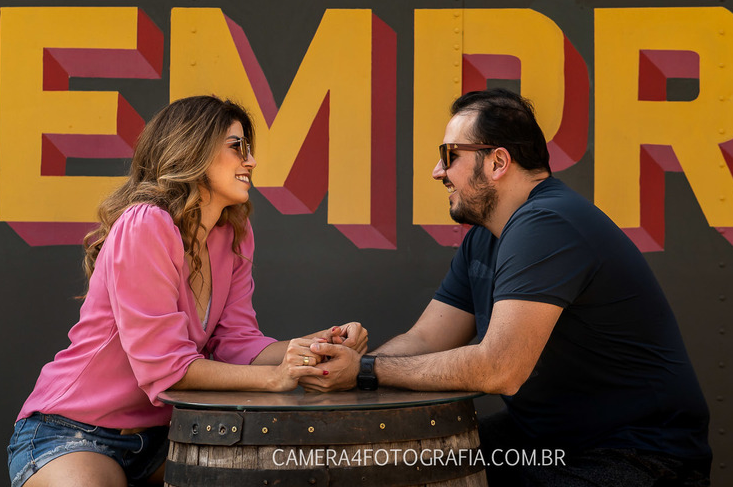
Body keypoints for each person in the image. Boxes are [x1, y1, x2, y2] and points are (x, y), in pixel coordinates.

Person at [302, 89, 711, 486]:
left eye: (449, 156)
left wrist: (367, 371)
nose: (437, 172)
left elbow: (500, 369)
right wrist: (347, 366)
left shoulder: (548, 223)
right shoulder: (486, 236)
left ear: (497, 161)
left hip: (634, 456)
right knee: (393, 459)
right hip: (543, 443)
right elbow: (426, 338)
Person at [7, 95, 367, 487]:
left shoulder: (232, 237)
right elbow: (165, 369)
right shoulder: (146, 223)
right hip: (73, 431)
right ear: (192, 147)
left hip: (166, 438)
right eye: (237, 147)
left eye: (250, 149)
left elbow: (237, 344)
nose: (251, 161)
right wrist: (275, 378)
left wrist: (314, 347)